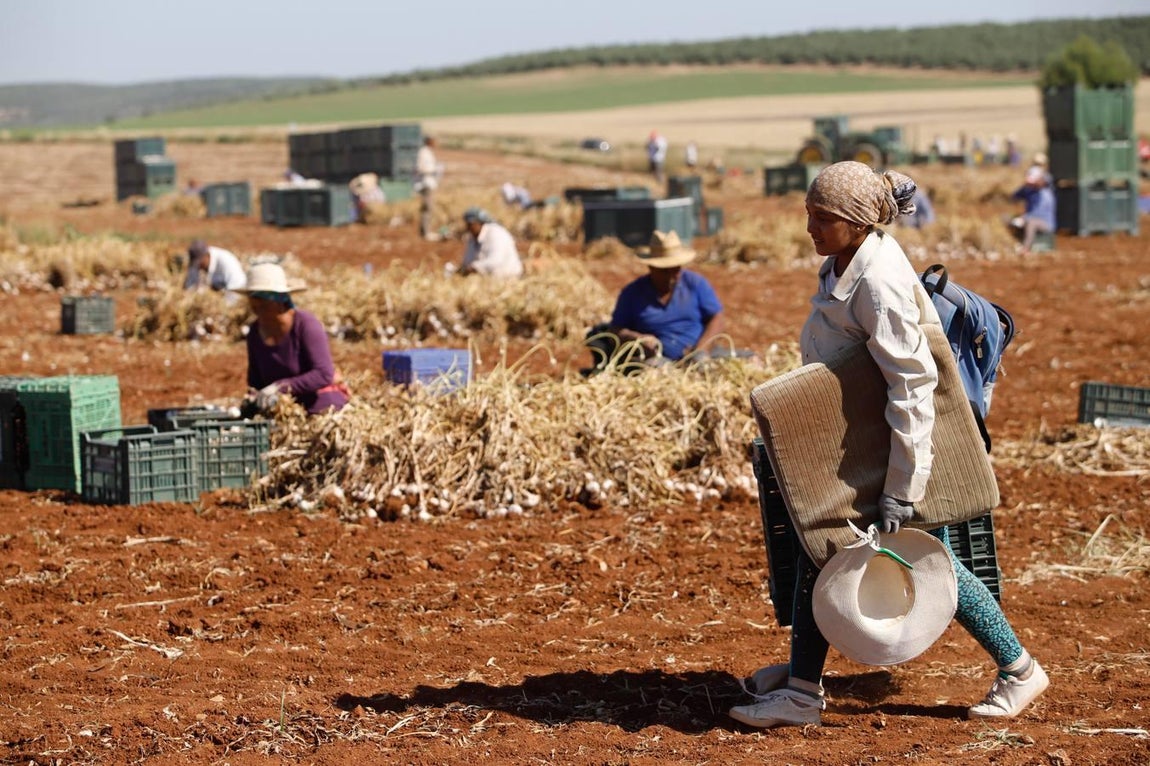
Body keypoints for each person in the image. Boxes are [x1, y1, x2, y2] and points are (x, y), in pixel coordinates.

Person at [730, 161, 1048, 729]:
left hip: (898, 443)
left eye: (822, 217)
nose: (810, 227)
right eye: (809, 214)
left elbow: (912, 384)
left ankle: (1019, 669)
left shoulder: (878, 284)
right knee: (822, 549)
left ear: (857, 222)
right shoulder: (844, 262)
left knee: (926, 559)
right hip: (865, 436)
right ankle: (802, 686)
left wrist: (904, 484)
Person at [584, 230, 728, 373]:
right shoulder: (632, 293)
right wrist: (638, 339)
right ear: (651, 267)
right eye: (664, 271)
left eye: (675, 270)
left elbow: (717, 317)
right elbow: (615, 330)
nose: (671, 276)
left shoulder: (695, 284)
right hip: (657, 362)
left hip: (696, 355)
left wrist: (701, 350)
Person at [237, 262, 349, 417]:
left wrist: (281, 387)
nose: (256, 308)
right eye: (253, 302)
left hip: (320, 407)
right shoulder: (254, 333)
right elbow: (255, 382)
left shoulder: (306, 325)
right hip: (282, 409)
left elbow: (323, 374)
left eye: (262, 303)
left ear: (278, 301)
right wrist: (254, 399)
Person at [456, 207, 524, 279]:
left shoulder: (496, 233)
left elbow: (495, 261)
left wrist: (473, 267)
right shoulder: (473, 238)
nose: (468, 228)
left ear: (479, 223)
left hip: (508, 277)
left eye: (470, 224)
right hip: (489, 280)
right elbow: (467, 261)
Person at [1008, 165, 1056, 254]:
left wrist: (1024, 218)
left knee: (1031, 223)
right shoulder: (1029, 191)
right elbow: (1014, 197)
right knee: (1009, 219)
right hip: (1029, 218)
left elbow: (1038, 213)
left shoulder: (1045, 194)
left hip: (1045, 223)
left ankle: (1025, 249)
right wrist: (1024, 187)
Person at [416, 136, 440, 240]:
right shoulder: (424, 152)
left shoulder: (427, 152)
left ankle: (426, 230)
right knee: (427, 208)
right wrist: (433, 170)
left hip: (429, 183)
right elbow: (421, 168)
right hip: (426, 183)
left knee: (428, 208)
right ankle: (426, 232)